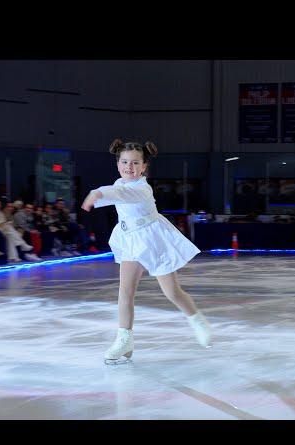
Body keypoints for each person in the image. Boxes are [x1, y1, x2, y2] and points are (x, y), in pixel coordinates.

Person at [81, 139, 210, 365]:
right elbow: (118, 192)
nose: (129, 167)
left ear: (144, 167)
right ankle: (125, 339)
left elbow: (121, 195)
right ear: (118, 163)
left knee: (172, 292)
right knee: (125, 292)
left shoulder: (142, 187)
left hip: (152, 240)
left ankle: (197, 320)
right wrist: (100, 194)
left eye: (135, 163)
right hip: (130, 240)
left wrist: (97, 192)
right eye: (124, 162)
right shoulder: (119, 183)